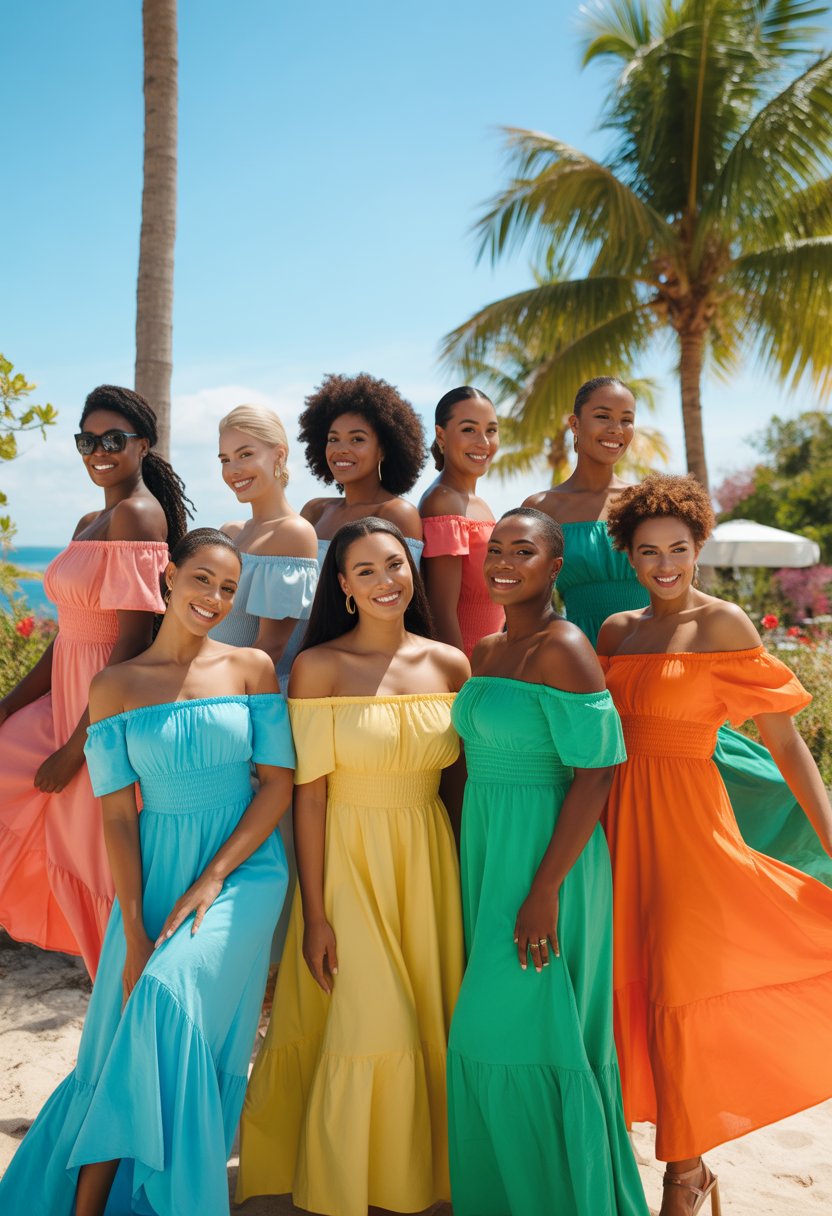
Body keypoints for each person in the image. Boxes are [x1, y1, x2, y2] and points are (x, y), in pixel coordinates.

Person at [0, 528, 296, 1216]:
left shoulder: (250, 667)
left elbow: (278, 786)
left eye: (229, 588)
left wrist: (217, 875)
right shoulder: (116, 685)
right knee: (123, 1028)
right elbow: (117, 818)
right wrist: (131, 926)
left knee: (164, 995)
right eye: (203, 580)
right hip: (158, 865)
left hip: (246, 867)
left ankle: (98, 1204)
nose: (216, 598)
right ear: (167, 577)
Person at [597, 474, 832, 1216]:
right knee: (630, 991)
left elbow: (789, 748)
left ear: (699, 547)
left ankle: (682, 1173)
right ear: (628, 557)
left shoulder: (725, 624)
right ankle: (683, 1168)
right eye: (647, 552)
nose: (664, 564)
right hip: (617, 832)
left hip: (692, 837)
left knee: (681, 994)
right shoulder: (615, 633)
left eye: (677, 548)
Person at [237, 517, 468, 1216]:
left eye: (394, 565)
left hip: (428, 867)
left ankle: (416, 1183)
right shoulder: (319, 667)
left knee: (425, 1020)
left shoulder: (449, 665)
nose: (384, 582)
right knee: (372, 1024)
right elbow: (309, 800)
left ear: (413, 571)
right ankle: (344, 1189)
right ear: (340, 586)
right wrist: (315, 913)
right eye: (364, 571)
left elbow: (461, 791)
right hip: (347, 866)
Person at [525, 375, 832, 885]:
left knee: (727, 804)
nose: (615, 429)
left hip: (675, 674)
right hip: (596, 670)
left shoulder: (646, 511)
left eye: (627, 419)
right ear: (574, 425)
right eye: (602, 416)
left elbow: (784, 737)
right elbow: (530, 603)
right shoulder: (542, 508)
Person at [446, 507, 647, 1216]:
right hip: (490, 855)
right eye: (494, 549)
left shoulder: (566, 646)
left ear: (554, 567)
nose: (502, 562)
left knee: (519, 1030)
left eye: (522, 551)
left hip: (549, 863)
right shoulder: (485, 652)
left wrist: (544, 890)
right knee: (503, 1031)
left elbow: (596, 773)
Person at [0, 384, 191, 975]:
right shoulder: (93, 518)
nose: (99, 451)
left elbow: (131, 642)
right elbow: (67, 634)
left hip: (105, 709)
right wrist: (9, 703)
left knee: (97, 861)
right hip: (69, 690)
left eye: (114, 439)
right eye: (88, 440)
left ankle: (127, 1004)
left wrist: (77, 748)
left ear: (144, 446)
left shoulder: (137, 514)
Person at [213, 404, 319, 693]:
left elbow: (270, 648)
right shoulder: (229, 532)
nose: (232, 470)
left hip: (248, 697)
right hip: (209, 681)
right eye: (225, 459)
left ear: (279, 455)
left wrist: (206, 689)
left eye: (245, 454)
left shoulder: (293, 533)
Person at [298, 371, 426, 564]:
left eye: (357, 439)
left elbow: (406, 587)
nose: (341, 449)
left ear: (383, 449)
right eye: (333, 439)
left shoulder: (397, 513)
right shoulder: (315, 511)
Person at [419, 386, 504, 657]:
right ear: (441, 435)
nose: (483, 442)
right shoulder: (443, 501)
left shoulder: (480, 506)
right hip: (465, 667)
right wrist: (461, 684)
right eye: (469, 429)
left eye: (491, 430)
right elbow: (441, 611)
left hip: (490, 665)